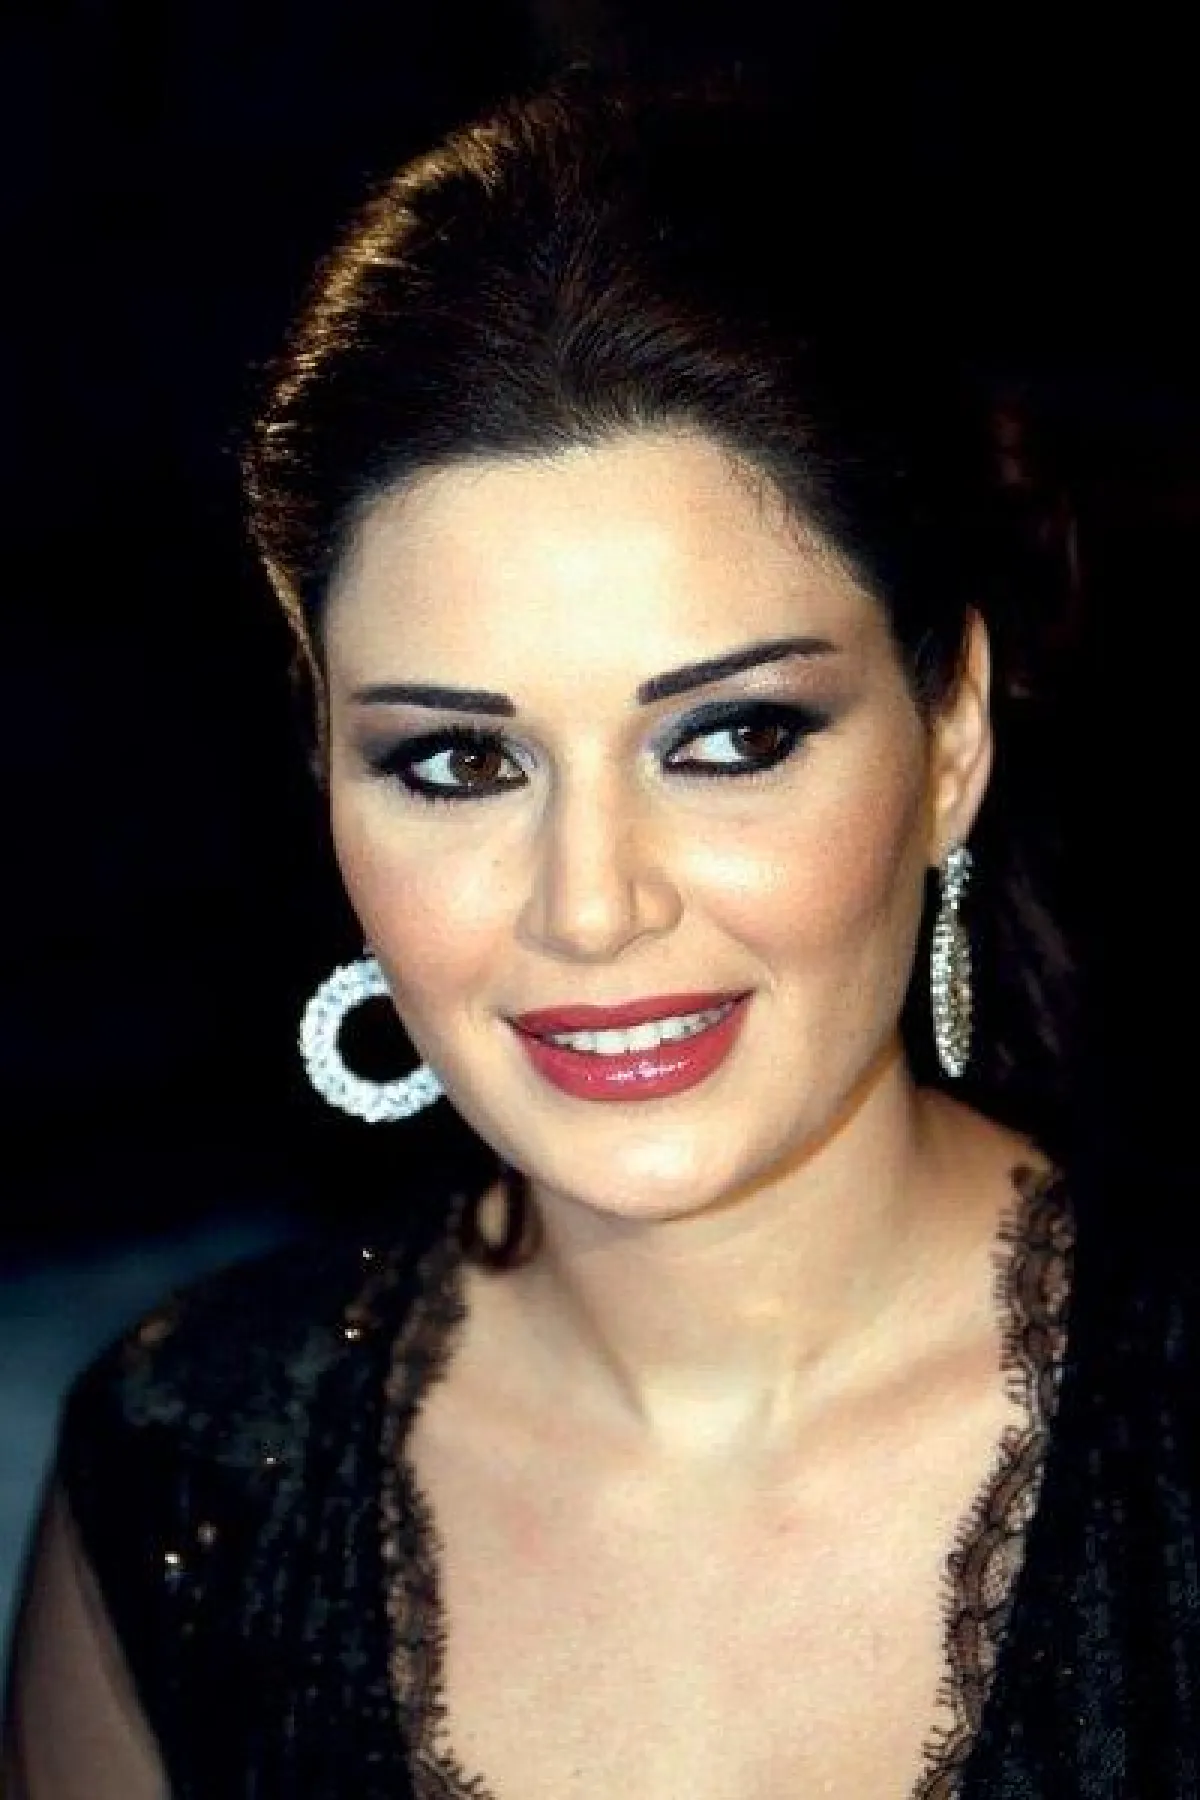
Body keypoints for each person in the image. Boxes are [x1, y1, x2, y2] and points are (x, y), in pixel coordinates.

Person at [4, 70, 1196, 1800]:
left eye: (729, 738)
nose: (591, 905)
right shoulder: (184, 1470)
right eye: (461, 762)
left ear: (949, 737)